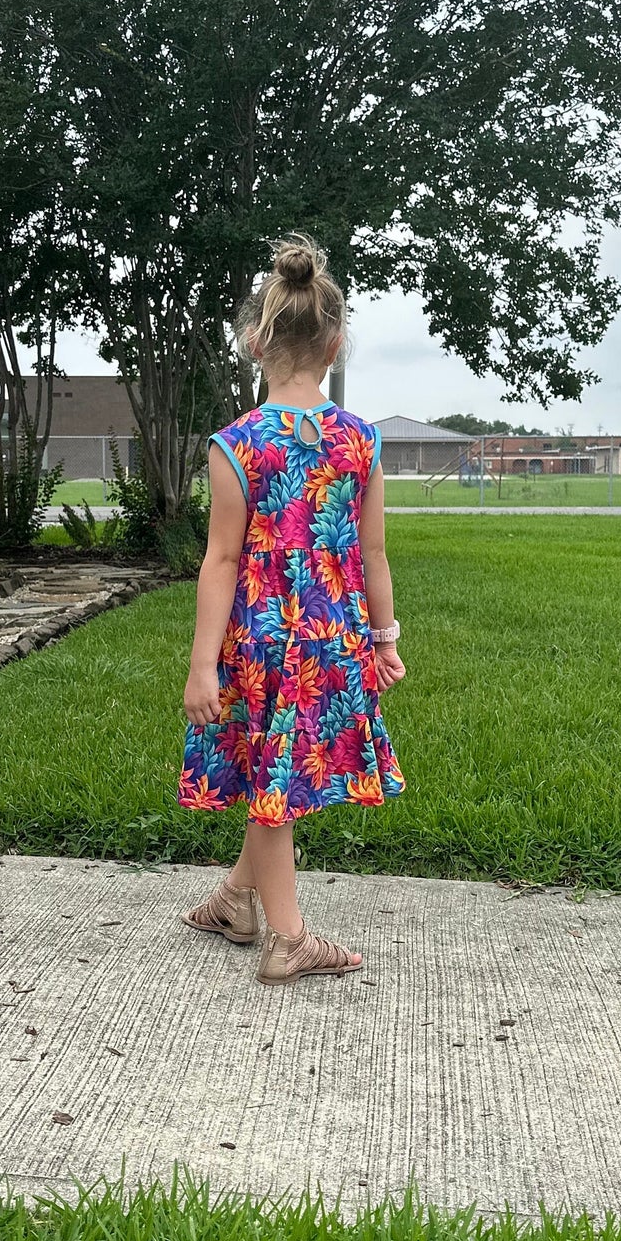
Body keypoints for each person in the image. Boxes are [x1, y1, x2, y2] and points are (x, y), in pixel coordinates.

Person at [177, 233, 406, 984]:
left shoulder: (236, 444)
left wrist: (202, 664)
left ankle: (257, 917)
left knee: (272, 780)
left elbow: (221, 559)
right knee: (278, 779)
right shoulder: (360, 441)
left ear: (253, 343)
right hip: (335, 638)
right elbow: (372, 556)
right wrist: (384, 637)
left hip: (264, 641)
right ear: (335, 344)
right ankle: (278, 929)